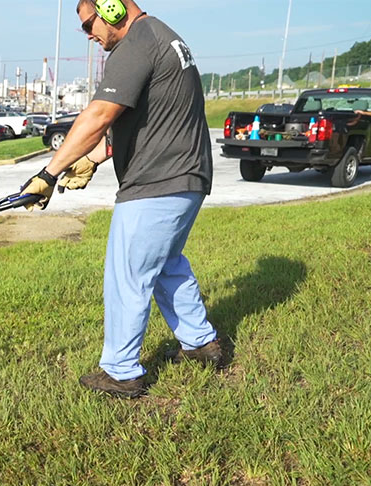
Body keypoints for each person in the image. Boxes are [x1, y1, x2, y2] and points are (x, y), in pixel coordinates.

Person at [20, 0, 221, 398]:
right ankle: (201, 343)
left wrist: (48, 173)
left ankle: (121, 371)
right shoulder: (162, 36)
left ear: (111, 9)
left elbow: (98, 115)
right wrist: (94, 159)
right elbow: (151, 115)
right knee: (166, 265)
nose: (90, 36)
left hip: (157, 181)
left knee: (127, 276)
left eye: (88, 24)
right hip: (186, 177)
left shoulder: (136, 43)